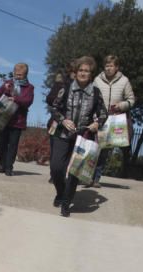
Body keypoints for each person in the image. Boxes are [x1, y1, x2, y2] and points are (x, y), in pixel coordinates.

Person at [48, 56, 107, 217]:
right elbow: (54, 108)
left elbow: (103, 113)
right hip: (62, 133)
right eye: (81, 70)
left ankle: (66, 202)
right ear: (76, 72)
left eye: (86, 71)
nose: (83, 73)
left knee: (75, 171)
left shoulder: (95, 92)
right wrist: (63, 120)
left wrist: (97, 124)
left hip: (83, 136)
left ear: (91, 74)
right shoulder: (66, 88)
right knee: (56, 168)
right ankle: (60, 192)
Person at [91, 55, 136, 187]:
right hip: (97, 117)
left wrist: (122, 105)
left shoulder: (124, 81)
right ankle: (86, 175)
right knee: (93, 147)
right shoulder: (97, 80)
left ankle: (96, 179)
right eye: (106, 66)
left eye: (111, 66)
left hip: (114, 118)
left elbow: (131, 100)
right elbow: (91, 96)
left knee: (104, 150)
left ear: (117, 67)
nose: (108, 68)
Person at [0, 62, 34, 176]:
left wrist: (15, 99)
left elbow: (27, 102)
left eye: (20, 75)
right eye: (16, 73)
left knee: (13, 146)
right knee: (3, 144)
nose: (17, 76)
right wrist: (4, 90)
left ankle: (9, 167)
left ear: (26, 75)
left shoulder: (29, 88)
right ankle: (2, 165)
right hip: (4, 119)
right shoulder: (8, 83)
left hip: (18, 121)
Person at [45, 71, 68, 183]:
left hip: (72, 124)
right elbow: (49, 99)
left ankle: (62, 175)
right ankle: (53, 174)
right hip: (56, 122)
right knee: (54, 149)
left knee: (67, 152)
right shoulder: (59, 85)